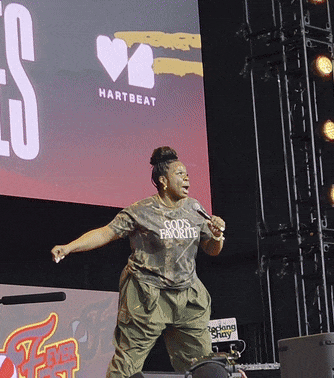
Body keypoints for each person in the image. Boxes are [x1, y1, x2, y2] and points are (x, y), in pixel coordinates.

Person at [50, 146, 226, 377]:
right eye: (179, 174)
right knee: (127, 364)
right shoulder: (142, 210)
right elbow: (106, 232)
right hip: (146, 295)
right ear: (163, 181)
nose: (186, 177)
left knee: (203, 365)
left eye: (186, 174)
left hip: (187, 296)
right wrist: (69, 247)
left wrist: (217, 235)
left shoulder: (194, 209)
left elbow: (212, 250)